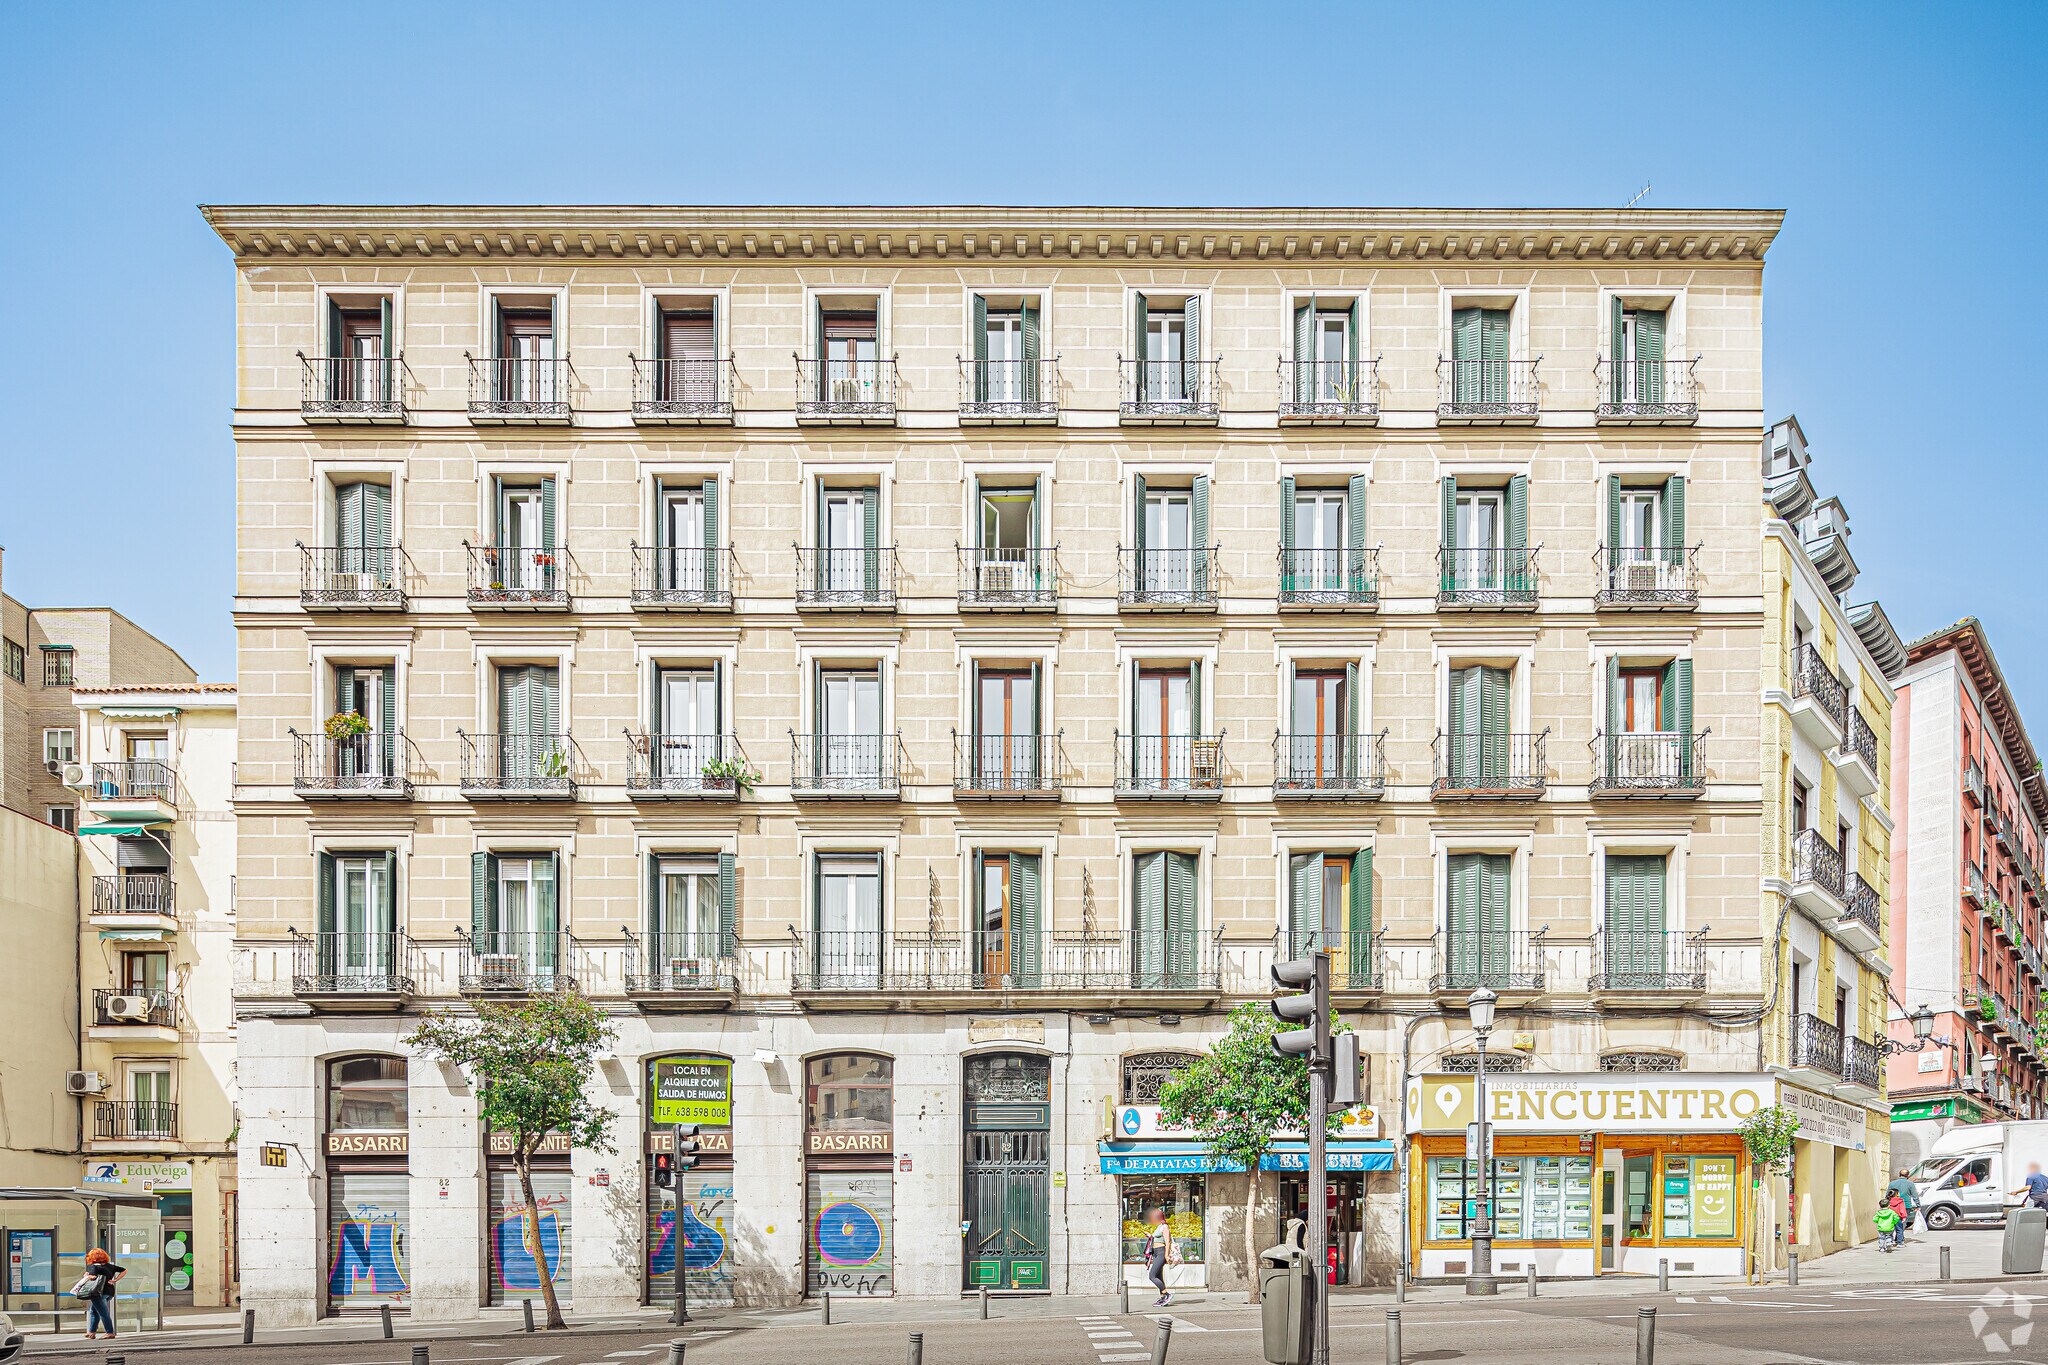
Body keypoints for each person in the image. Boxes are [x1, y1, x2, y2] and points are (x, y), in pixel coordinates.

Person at [81, 1247, 124, 1339]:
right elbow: (124, 1270)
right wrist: (115, 1280)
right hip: (109, 1292)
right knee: (94, 1311)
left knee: (103, 1313)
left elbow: (92, 1277)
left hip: (98, 1292)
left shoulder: (94, 1267)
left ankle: (110, 1332)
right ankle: (91, 1332)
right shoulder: (110, 1266)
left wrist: (86, 1276)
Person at [1144, 1208, 1175, 1308]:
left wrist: (1166, 1255)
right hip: (1156, 1253)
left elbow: (1168, 1242)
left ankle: (1166, 1294)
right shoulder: (1159, 1226)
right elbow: (1155, 1238)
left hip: (1161, 1252)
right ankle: (1162, 1297)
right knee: (1158, 1275)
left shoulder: (1165, 1227)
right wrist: (1150, 1235)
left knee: (1152, 1276)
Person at [1885, 1167, 1920, 1236]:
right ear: (1908, 1176)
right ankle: (1899, 1237)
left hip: (1893, 1206)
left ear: (1899, 1175)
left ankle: (1891, 1237)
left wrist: (1886, 1204)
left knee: (1892, 1221)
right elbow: (1915, 1195)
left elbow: (1887, 1195)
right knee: (1903, 1222)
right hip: (1906, 1205)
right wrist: (1918, 1205)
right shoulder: (1910, 1184)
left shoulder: (1892, 1183)